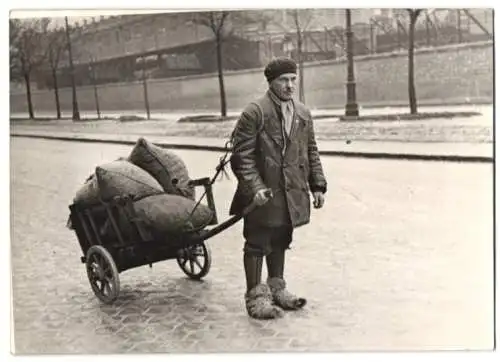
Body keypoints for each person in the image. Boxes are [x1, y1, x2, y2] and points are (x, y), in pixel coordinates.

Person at [229, 57, 327, 319]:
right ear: (271, 82)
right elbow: (242, 157)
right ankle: (255, 296)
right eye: (284, 80)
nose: (290, 85)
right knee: (257, 242)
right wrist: (254, 188)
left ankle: (277, 288)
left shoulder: (303, 113)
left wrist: (317, 185)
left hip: (291, 193)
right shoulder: (255, 112)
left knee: (281, 239)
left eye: (294, 79)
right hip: (263, 193)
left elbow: (311, 150)